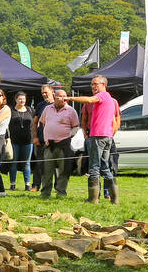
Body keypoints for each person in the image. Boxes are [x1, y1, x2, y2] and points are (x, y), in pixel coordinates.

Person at [67, 75, 121, 204]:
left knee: (94, 168)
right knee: (104, 167)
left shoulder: (102, 95)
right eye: (92, 84)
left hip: (98, 136)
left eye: (95, 84)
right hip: (106, 136)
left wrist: (69, 98)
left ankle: (93, 199)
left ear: (103, 85)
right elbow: (86, 117)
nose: (93, 86)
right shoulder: (109, 98)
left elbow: (90, 100)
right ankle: (115, 199)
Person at [34, 87, 79, 199]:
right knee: (46, 170)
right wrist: (46, 137)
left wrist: (68, 136)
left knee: (64, 171)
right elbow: (42, 123)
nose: (63, 98)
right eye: (60, 96)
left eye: (65, 96)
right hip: (49, 145)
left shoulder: (71, 111)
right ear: (55, 97)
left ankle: (61, 193)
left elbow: (75, 127)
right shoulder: (47, 109)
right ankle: (45, 193)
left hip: (64, 145)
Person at [8, 92, 35, 190]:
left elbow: (35, 124)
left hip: (28, 141)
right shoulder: (11, 110)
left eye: (23, 99)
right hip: (14, 141)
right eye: (20, 99)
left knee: (26, 163)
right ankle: (12, 184)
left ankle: (27, 184)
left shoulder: (31, 110)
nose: (22, 101)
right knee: (13, 162)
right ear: (15, 99)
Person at [31, 83, 54, 191]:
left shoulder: (59, 104)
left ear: (52, 91)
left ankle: (57, 187)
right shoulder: (40, 105)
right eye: (42, 93)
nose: (44, 94)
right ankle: (35, 185)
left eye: (46, 92)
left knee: (55, 164)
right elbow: (34, 122)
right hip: (41, 139)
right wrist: (34, 137)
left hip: (54, 140)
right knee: (39, 163)